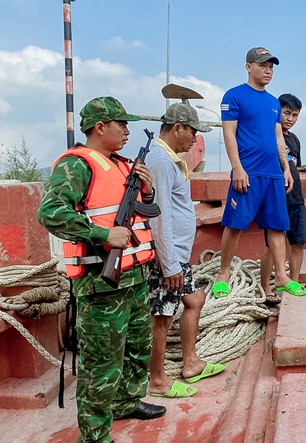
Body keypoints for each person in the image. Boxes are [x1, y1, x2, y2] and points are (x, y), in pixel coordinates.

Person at [37, 96, 166, 443]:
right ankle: (94, 436)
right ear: (100, 127)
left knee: (138, 349)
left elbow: (142, 213)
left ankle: (125, 402)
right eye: (121, 124)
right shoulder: (77, 166)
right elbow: (50, 213)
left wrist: (149, 191)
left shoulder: (125, 166)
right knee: (102, 365)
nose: (127, 131)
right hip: (101, 283)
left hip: (135, 278)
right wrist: (103, 234)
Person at [146, 102, 228, 398]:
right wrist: (170, 265)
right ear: (177, 128)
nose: (195, 138)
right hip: (168, 258)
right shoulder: (161, 162)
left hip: (177, 255)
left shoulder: (167, 160)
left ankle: (190, 363)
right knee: (163, 315)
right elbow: (160, 216)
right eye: (192, 131)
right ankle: (157, 379)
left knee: (194, 299)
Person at [215, 47, 305, 298]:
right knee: (235, 224)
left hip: (273, 175)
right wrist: (237, 168)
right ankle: (223, 273)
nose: (268, 70)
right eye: (263, 65)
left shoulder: (274, 102)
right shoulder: (234, 96)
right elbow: (229, 133)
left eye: (271, 67)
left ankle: (282, 277)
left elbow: (279, 137)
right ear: (248, 67)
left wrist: (285, 168)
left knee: (277, 226)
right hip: (248, 172)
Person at [260, 94, 306, 296]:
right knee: (272, 247)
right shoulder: (267, 135)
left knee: (299, 242)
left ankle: (293, 282)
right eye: (287, 113)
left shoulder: (294, 140)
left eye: (295, 115)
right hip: (273, 199)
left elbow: (296, 166)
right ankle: (265, 289)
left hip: (296, 199)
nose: (290, 118)